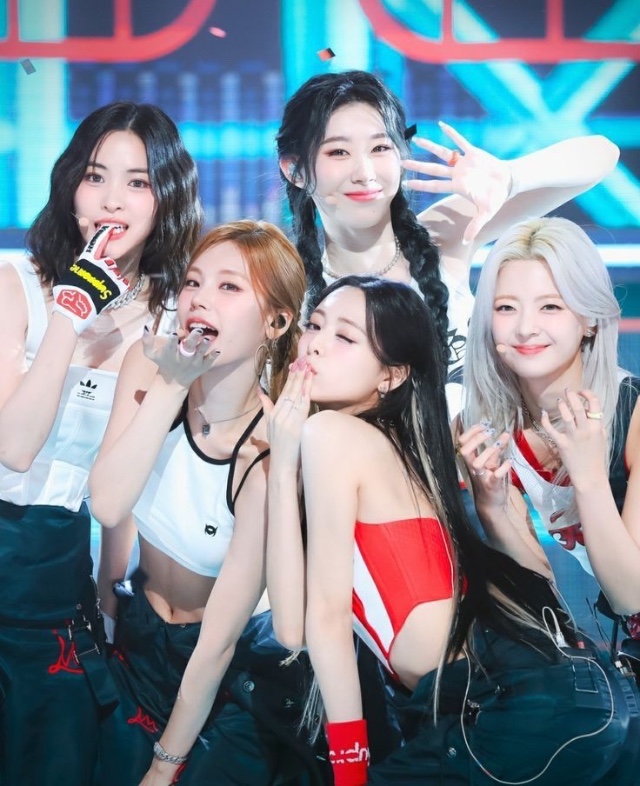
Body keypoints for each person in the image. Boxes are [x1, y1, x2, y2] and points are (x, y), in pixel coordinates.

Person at [263, 274, 637, 785]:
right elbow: (292, 628)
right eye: (314, 324)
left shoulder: (332, 433)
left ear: (391, 375)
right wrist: (283, 463)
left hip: (511, 704)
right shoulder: (398, 449)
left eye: (345, 336)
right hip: (563, 700)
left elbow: (327, 619)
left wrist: (350, 772)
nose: (315, 344)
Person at [0, 101, 201, 785]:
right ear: (70, 186)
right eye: (96, 176)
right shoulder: (14, 284)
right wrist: (69, 314)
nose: (113, 199)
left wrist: (111, 611)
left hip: (61, 576)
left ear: (166, 197)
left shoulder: (166, 324)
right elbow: (14, 448)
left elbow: (122, 492)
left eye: (138, 182)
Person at [88, 220, 328, 786]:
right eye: (193, 282)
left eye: (229, 287)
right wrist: (173, 383)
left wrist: (163, 766)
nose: (199, 298)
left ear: (276, 322)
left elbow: (218, 644)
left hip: (230, 673)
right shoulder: (149, 370)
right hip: (138, 639)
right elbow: (108, 505)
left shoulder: (269, 454)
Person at [276, 69, 619, 418]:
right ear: (295, 170)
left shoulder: (442, 233)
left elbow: (602, 155)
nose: (365, 173)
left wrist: (511, 177)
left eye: (380, 148)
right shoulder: (292, 296)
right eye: (338, 152)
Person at [458, 216, 640, 636]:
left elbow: (631, 595)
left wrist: (589, 477)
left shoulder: (632, 415)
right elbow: (541, 595)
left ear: (589, 319)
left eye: (551, 306)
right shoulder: (483, 429)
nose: (525, 328)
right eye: (506, 307)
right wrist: (492, 509)